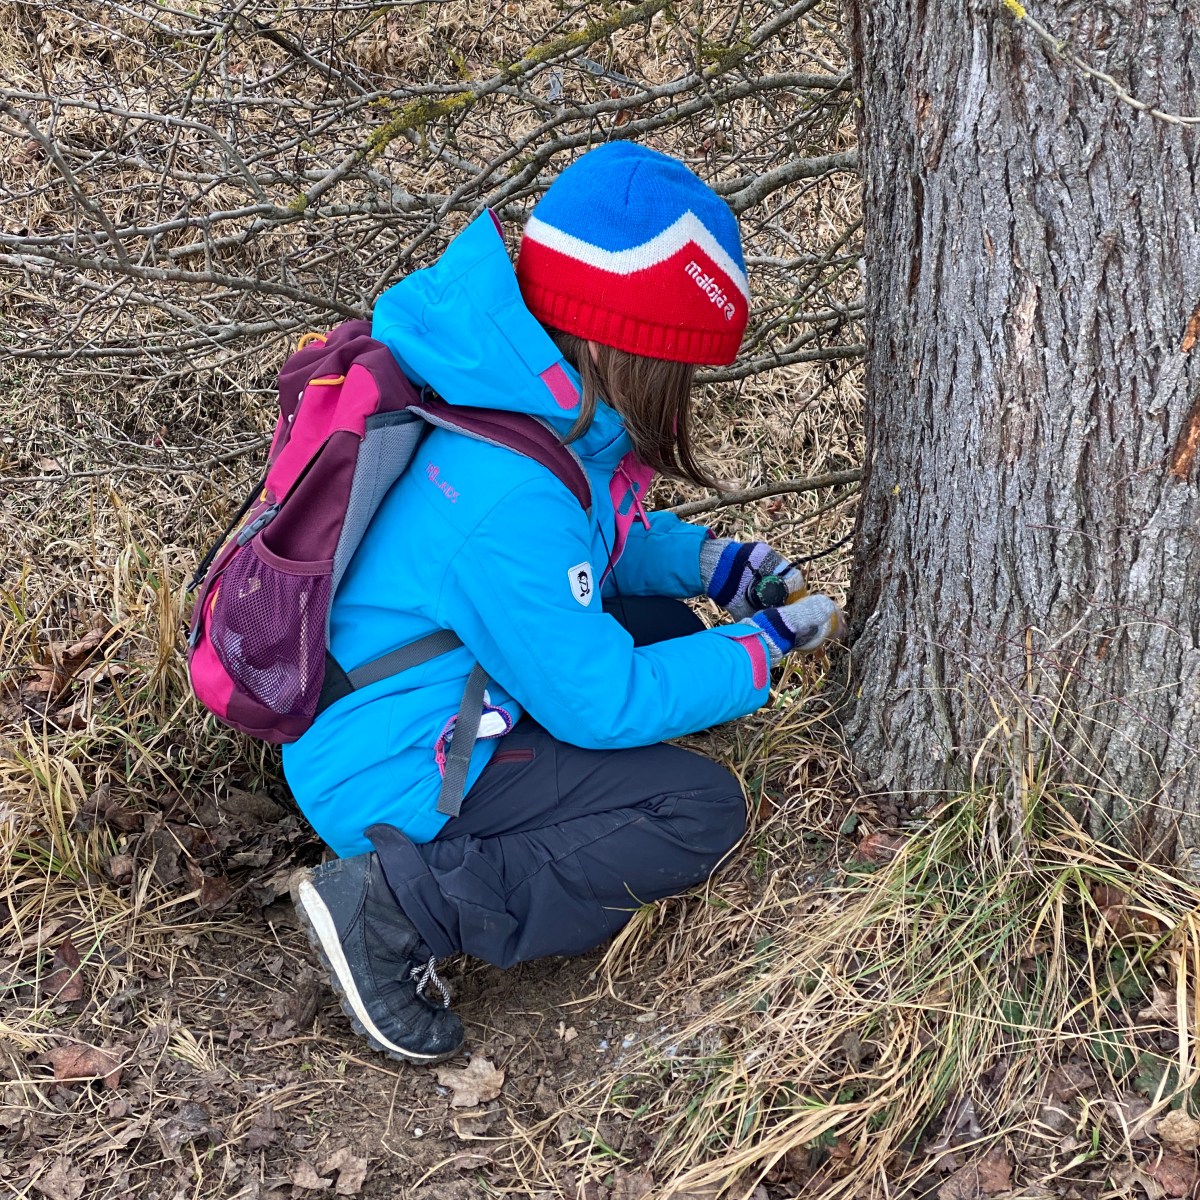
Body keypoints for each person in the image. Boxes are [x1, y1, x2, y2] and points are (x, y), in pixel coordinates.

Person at [285, 142, 845, 1064]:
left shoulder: (520, 402)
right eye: (682, 369)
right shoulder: (507, 491)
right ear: (636, 350)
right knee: (697, 810)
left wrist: (709, 564)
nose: (686, 395)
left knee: (663, 629)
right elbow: (601, 700)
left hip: (404, 697)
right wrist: (762, 646)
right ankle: (396, 907)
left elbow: (580, 549)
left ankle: (430, 874)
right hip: (401, 765)